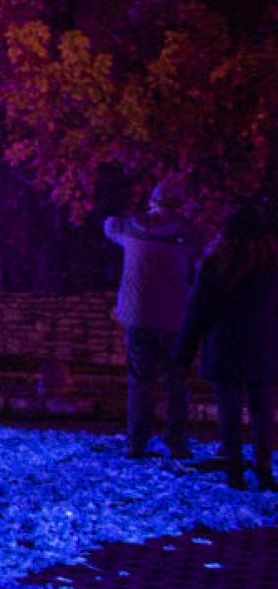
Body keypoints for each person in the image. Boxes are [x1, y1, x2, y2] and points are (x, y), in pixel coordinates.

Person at [176, 205, 278, 491]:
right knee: (263, 414)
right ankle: (264, 470)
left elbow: (198, 311)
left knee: (230, 412)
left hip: (225, 347)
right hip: (265, 348)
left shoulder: (215, 264)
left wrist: (183, 354)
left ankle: (235, 471)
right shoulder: (271, 265)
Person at [105, 181, 198, 459]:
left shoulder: (132, 229)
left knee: (141, 382)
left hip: (138, 316)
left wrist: (142, 212)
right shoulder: (189, 234)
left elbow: (109, 224)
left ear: (153, 200)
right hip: (175, 318)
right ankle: (178, 442)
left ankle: (137, 442)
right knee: (177, 382)